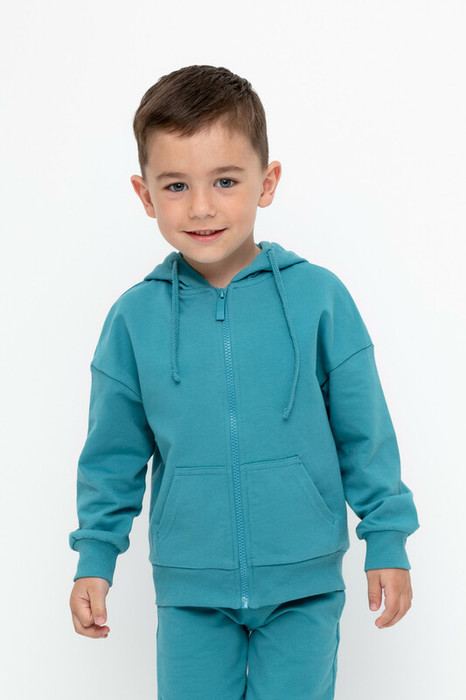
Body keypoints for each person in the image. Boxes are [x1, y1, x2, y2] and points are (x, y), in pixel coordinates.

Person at [69, 64, 420, 699]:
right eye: (176, 185)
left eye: (225, 180)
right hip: (190, 587)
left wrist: (387, 537)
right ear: (145, 195)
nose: (201, 206)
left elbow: (364, 432)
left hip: (305, 584)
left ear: (267, 181)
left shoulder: (318, 299)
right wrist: (96, 557)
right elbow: (112, 454)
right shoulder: (135, 318)